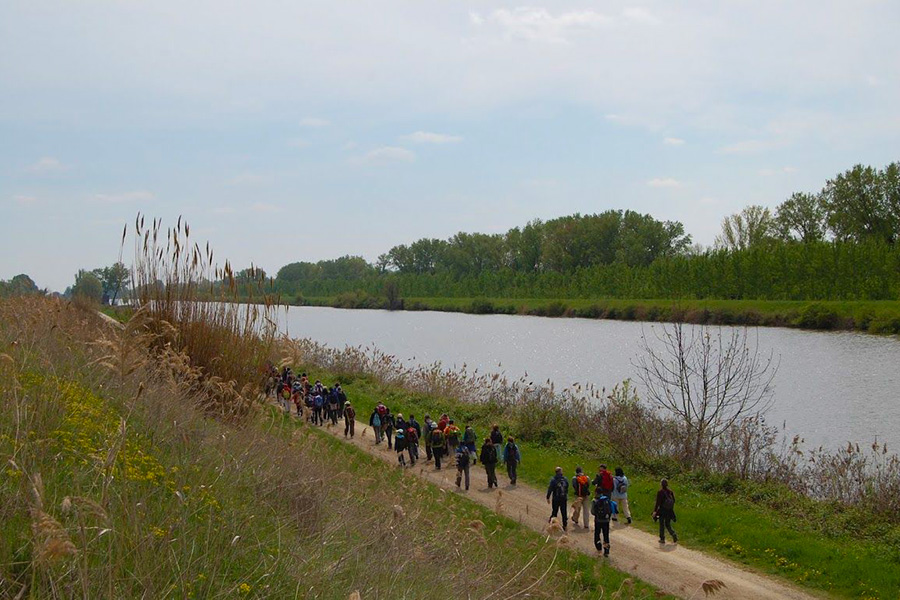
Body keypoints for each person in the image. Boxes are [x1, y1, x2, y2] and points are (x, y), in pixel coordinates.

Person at [653, 479, 678, 544]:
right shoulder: (670, 492)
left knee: (661, 524)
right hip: (669, 511)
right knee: (667, 524)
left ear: (661, 484)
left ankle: (662, 539)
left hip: (662, 510)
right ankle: (673, 534)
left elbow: (657, 503)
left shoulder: (660, 492)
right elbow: (674, 501)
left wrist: (655, 511)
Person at [591, 488, 614, 557]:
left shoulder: (594, 500)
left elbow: (592, 512)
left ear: (595, 492)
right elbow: (610, 510)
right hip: (606, 521)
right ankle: (606, 550)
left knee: (597, 534)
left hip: (598, 520)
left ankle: (599, 549)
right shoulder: (606, 500)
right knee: (606, 535)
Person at [546, 466, 569, 531]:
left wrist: (548, 497)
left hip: (556, 498)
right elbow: (567, 487)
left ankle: (553, 524)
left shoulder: (553, 480)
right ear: (561, 472)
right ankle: (565, 525)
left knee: (555, 511)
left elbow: (550, 489)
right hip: (563, 498)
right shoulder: (565, 479)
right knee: (564, 512)